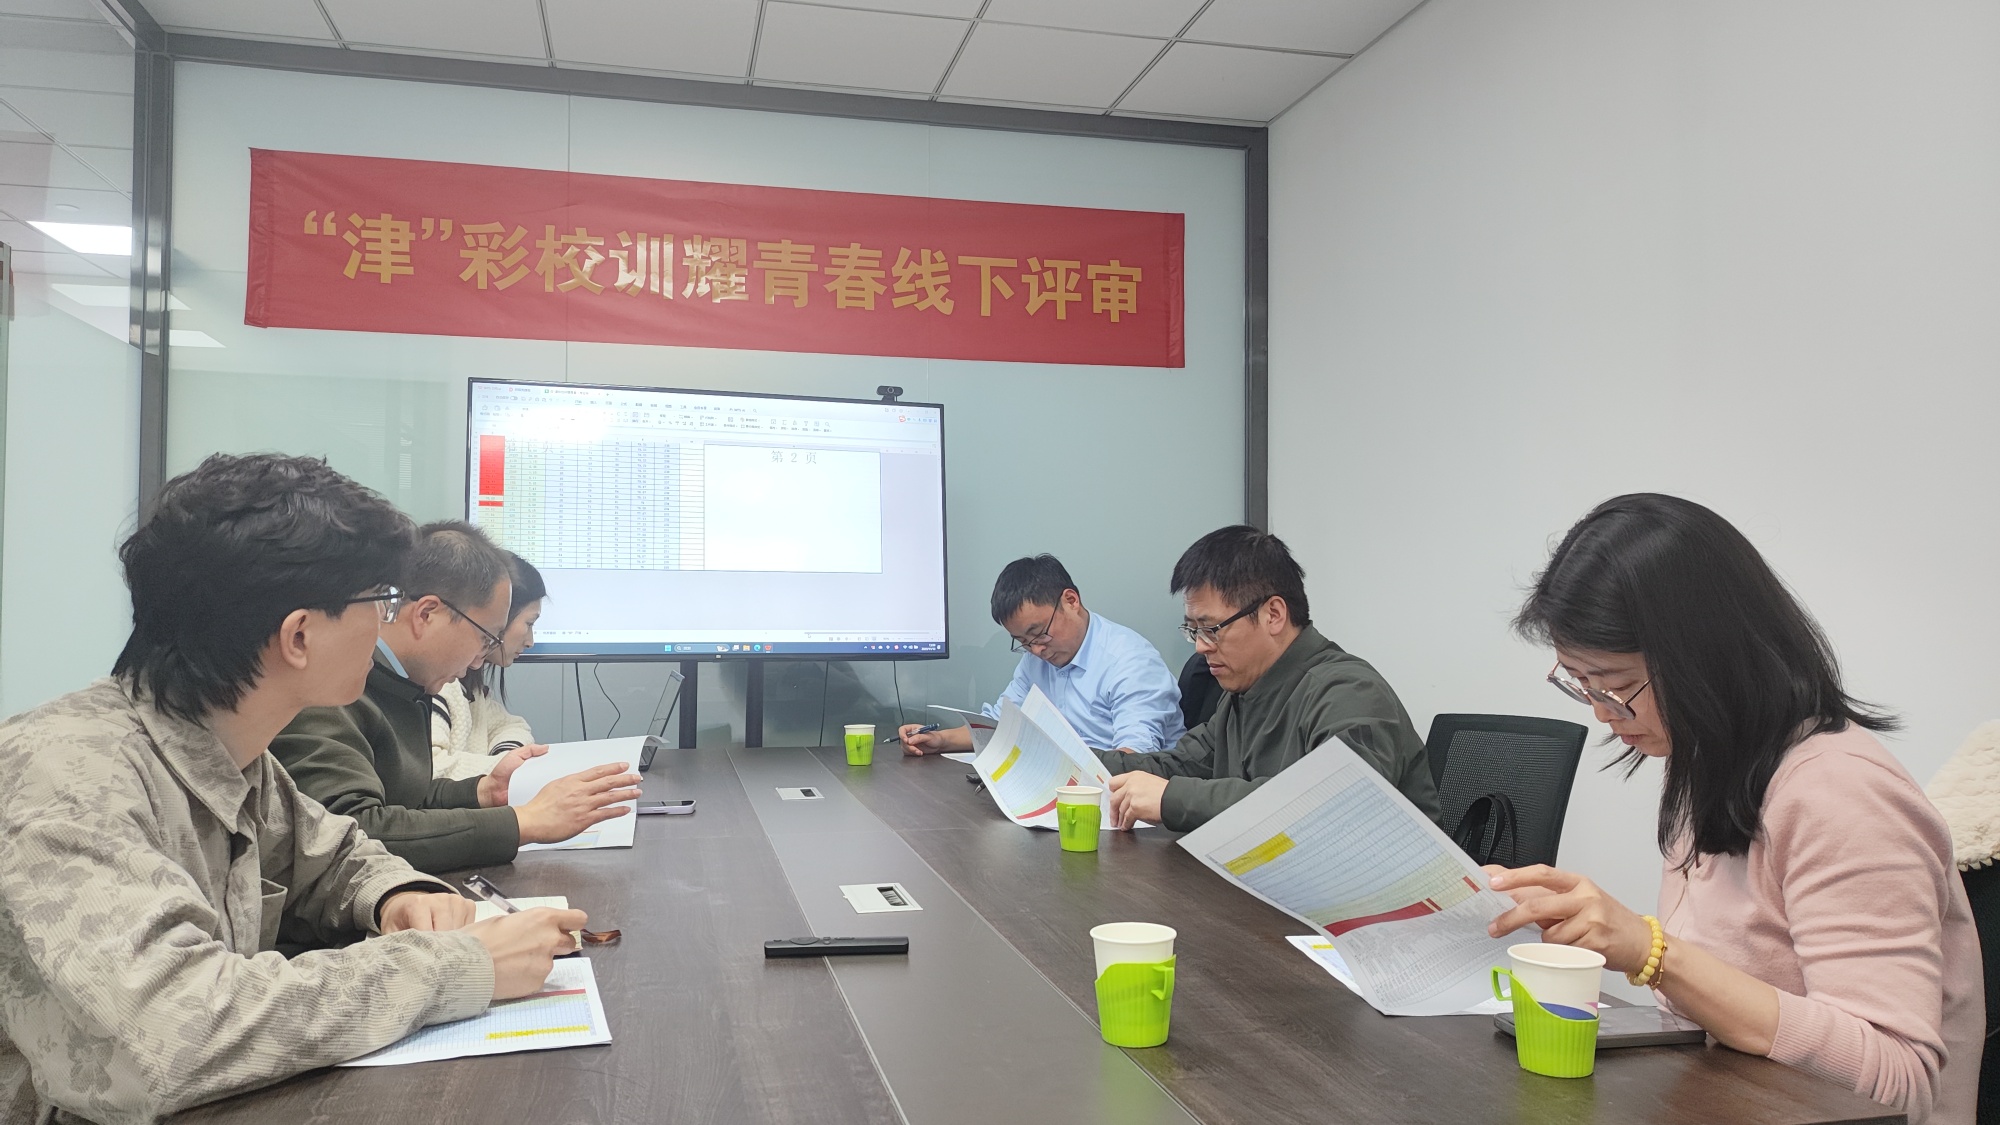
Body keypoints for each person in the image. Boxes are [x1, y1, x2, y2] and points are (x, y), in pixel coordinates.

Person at [0, 454, 585, 1123]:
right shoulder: (67, 777)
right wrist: (455, 966)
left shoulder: (224, 747)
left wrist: (397, 895)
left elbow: (330, 853)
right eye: (380, 600)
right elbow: (169, 1033)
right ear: (299, 635)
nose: (388, 620)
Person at [1488, 494, 1980, 1125]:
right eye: (1581, 683)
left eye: (1618, 685)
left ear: (1707, 657)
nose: (1604, 713)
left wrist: (1651, 952)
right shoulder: (1710, 761)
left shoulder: (1842, 793)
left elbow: (1896, 1080)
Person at [273, 521, 641, 873]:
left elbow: (403, 797)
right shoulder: (330, 687)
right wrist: (523, 822)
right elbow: (353, 830)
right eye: (485, 637)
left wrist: (483, 792)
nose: (480, 659)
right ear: (426, 614)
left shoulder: (402, 684)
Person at [1099, 526, 1437, 832]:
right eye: (1193, 630)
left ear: (1273, 615)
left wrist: (1173, 798)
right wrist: (1083, 759)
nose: (1200, 646)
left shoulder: (1349, 691)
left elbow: (1337, 802)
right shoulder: (1242, 695)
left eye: (1211, 628)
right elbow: (1177, 765)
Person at [900, 554, 1184, 757]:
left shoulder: (1130, 662)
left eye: (1039, 634)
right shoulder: (1036, 660)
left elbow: (1135, 758)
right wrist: (939, 739)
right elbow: (1001, 725)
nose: (1036, 650)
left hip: (1123, 800)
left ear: (1071, 601)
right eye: (1023, 642)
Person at [429, 551, 546, 780]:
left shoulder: (469, 686)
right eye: (529, 623)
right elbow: (431, 769)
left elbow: (510, 726)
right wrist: (502, 768)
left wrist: (505, 758)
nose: (530, 642)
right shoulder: (439, 683)